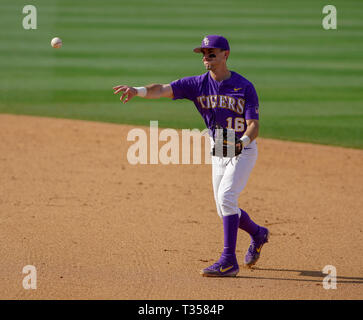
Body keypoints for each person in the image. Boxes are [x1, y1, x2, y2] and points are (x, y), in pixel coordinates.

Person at [113, 35, 269, 277]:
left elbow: (254, 126)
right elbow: (163, 89)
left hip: (243, 149)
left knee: (227, 197)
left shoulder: (244, 86)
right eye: (203, 54)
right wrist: (138, 90)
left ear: (225, 54)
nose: (206, 57)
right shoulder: (197, 84)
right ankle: (258, 233)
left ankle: (228, 261)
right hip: (219, 148)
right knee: (223, 209)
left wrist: (242, 142)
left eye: (212, 53)